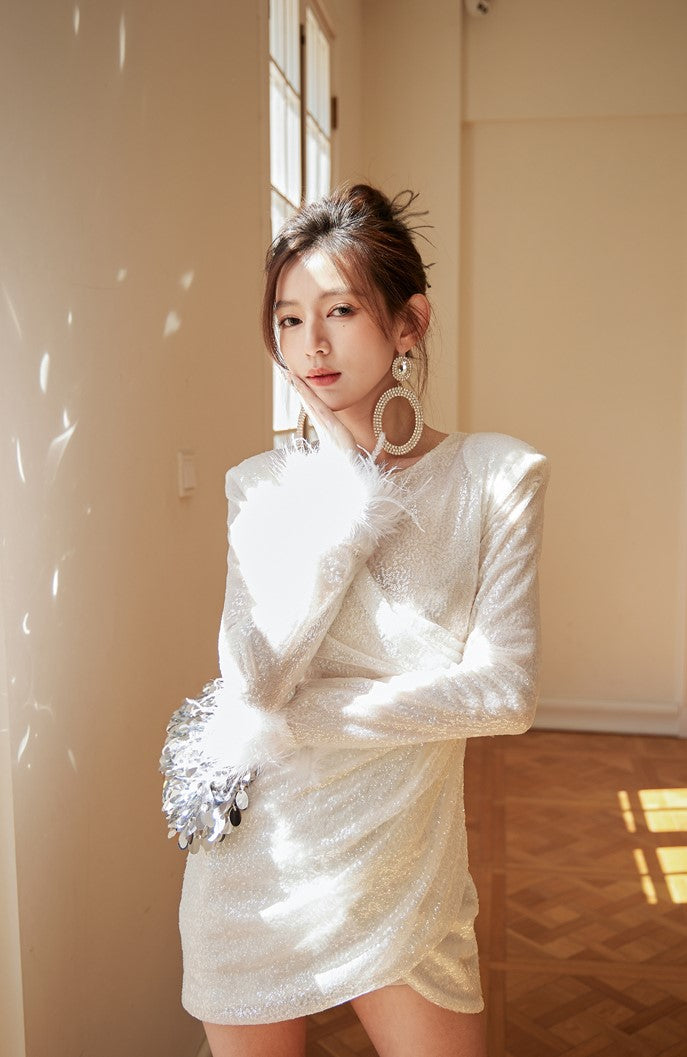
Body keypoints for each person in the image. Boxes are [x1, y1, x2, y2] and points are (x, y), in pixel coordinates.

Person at [163, 183, 551, 1057]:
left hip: (402, 870)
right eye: (289, 319)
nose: (312, 344)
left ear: (409, 322)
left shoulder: (496, 476)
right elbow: (255, 678)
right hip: (260, 862)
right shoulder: (258, 488)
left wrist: (291, 718)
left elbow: (503, 695)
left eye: (339, 310)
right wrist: (342, 491)